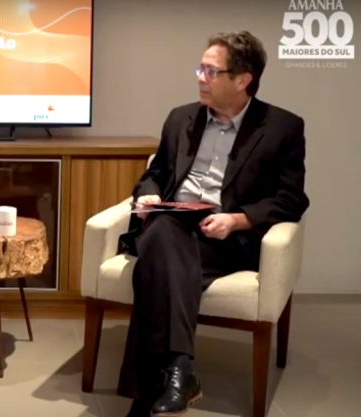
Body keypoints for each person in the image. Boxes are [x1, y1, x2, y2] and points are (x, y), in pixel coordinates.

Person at [118, 31, 309, 417]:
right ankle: (179, 370)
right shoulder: (181, 117)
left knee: (156, 262)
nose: (200, 78)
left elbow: (291, 199)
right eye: (200, 69)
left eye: (211, 71)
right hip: (171, 220)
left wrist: (238, 220)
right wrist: (148, 195)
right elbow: (155, 173)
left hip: (222, 237)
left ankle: (149, 393)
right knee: (164, 231)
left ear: (243, 80)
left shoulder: (281, 127)